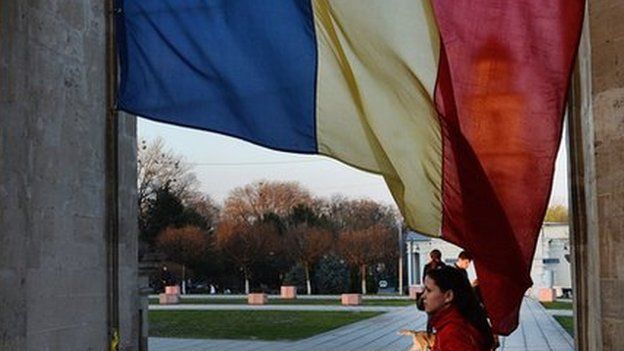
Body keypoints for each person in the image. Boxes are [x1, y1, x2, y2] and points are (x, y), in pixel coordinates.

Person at [421, 266, 495, 351]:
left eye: (429, 290)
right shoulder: (452, 323)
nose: (423, 296)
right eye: (424, 290)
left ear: (448, 296)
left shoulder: (453, 332)